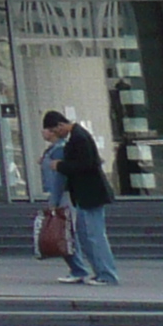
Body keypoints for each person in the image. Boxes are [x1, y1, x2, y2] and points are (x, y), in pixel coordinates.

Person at [43, 110, 120, 285]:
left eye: (56, 131)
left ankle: (107, 274)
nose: (57, 136)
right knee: (88, 235)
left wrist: (60, 165)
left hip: (90, 193)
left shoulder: (78, 137)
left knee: (95, 235)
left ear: (60, 125)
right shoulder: (77, 136)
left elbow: (86, 164)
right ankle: (101, 272)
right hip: (87, 193)